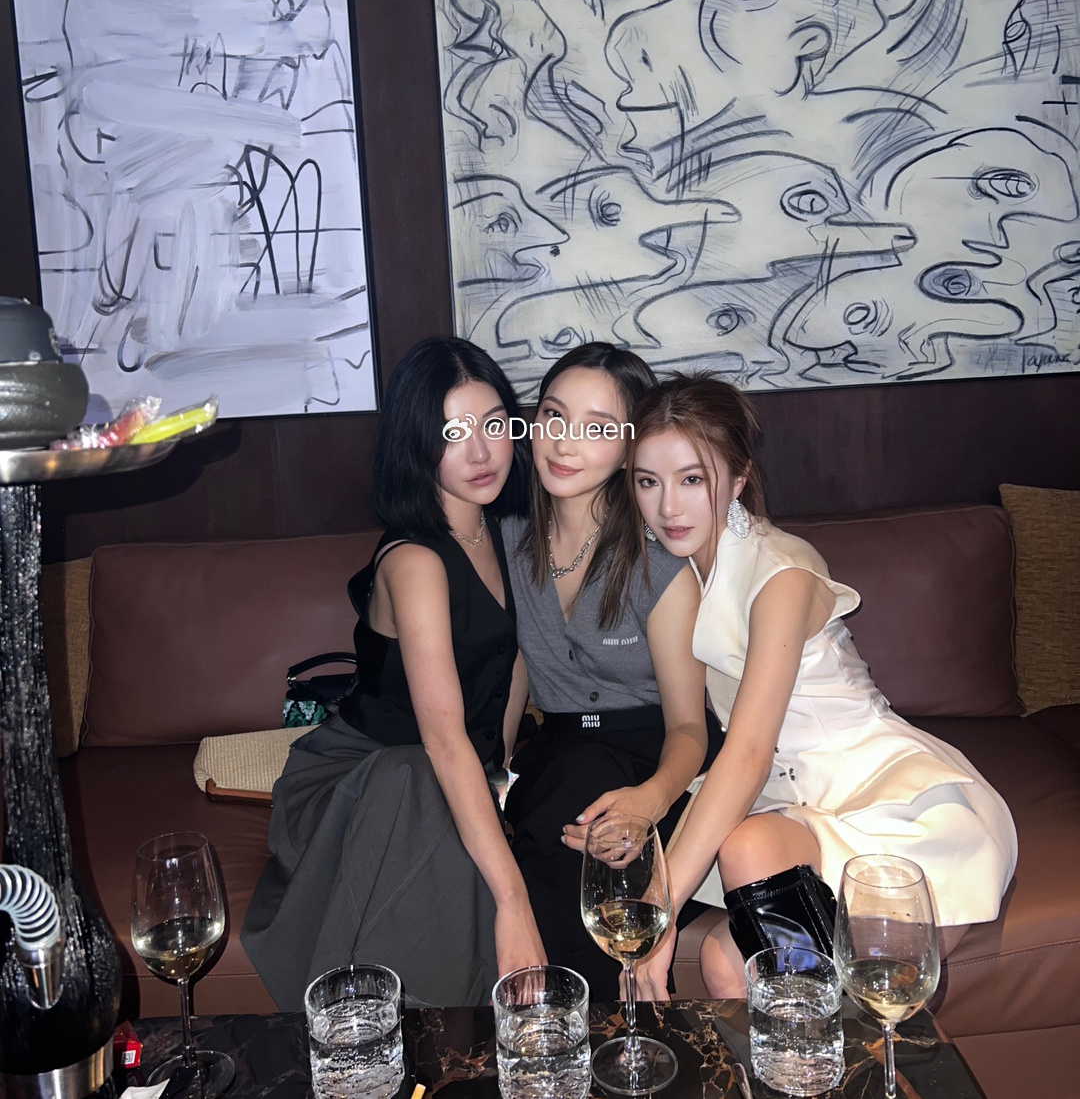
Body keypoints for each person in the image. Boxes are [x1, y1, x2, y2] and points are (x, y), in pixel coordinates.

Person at [620, 373, 1017, 1000]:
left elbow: (748, 752)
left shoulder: (781, 571)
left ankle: (848, 1036)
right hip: (795, 806)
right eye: (649, 482)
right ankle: (822, 1043)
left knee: (748, 857)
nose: (669, 507)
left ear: (739, 479)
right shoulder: (680, 574)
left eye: (692, 479)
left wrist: (658, 913)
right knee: (725, 965)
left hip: (880, 798)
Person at [242, 337, 546, 1009]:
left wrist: (498, 772)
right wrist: (513, 901)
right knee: (418, 783)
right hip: (360, 780)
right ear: (415, 444)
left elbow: (513, 660)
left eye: (494, 424)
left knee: (459, 798)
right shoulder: (415, 562)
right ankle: (385, 1025)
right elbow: (441, 741)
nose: (480, 452)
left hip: (442, 774)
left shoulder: (509, 533)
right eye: (452, 434)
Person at [502, 343, 717, 997]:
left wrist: (649, 803)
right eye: (553, 415)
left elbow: (689, 726)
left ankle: (572, 1018)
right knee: (564, 795)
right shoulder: (507, 539)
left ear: (629, 449)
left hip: (653, 758)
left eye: (597, 428)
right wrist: (493, 768)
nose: (565, 442)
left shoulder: (659, 564)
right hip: (560, 753)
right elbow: (514, 665)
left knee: (589, 812)